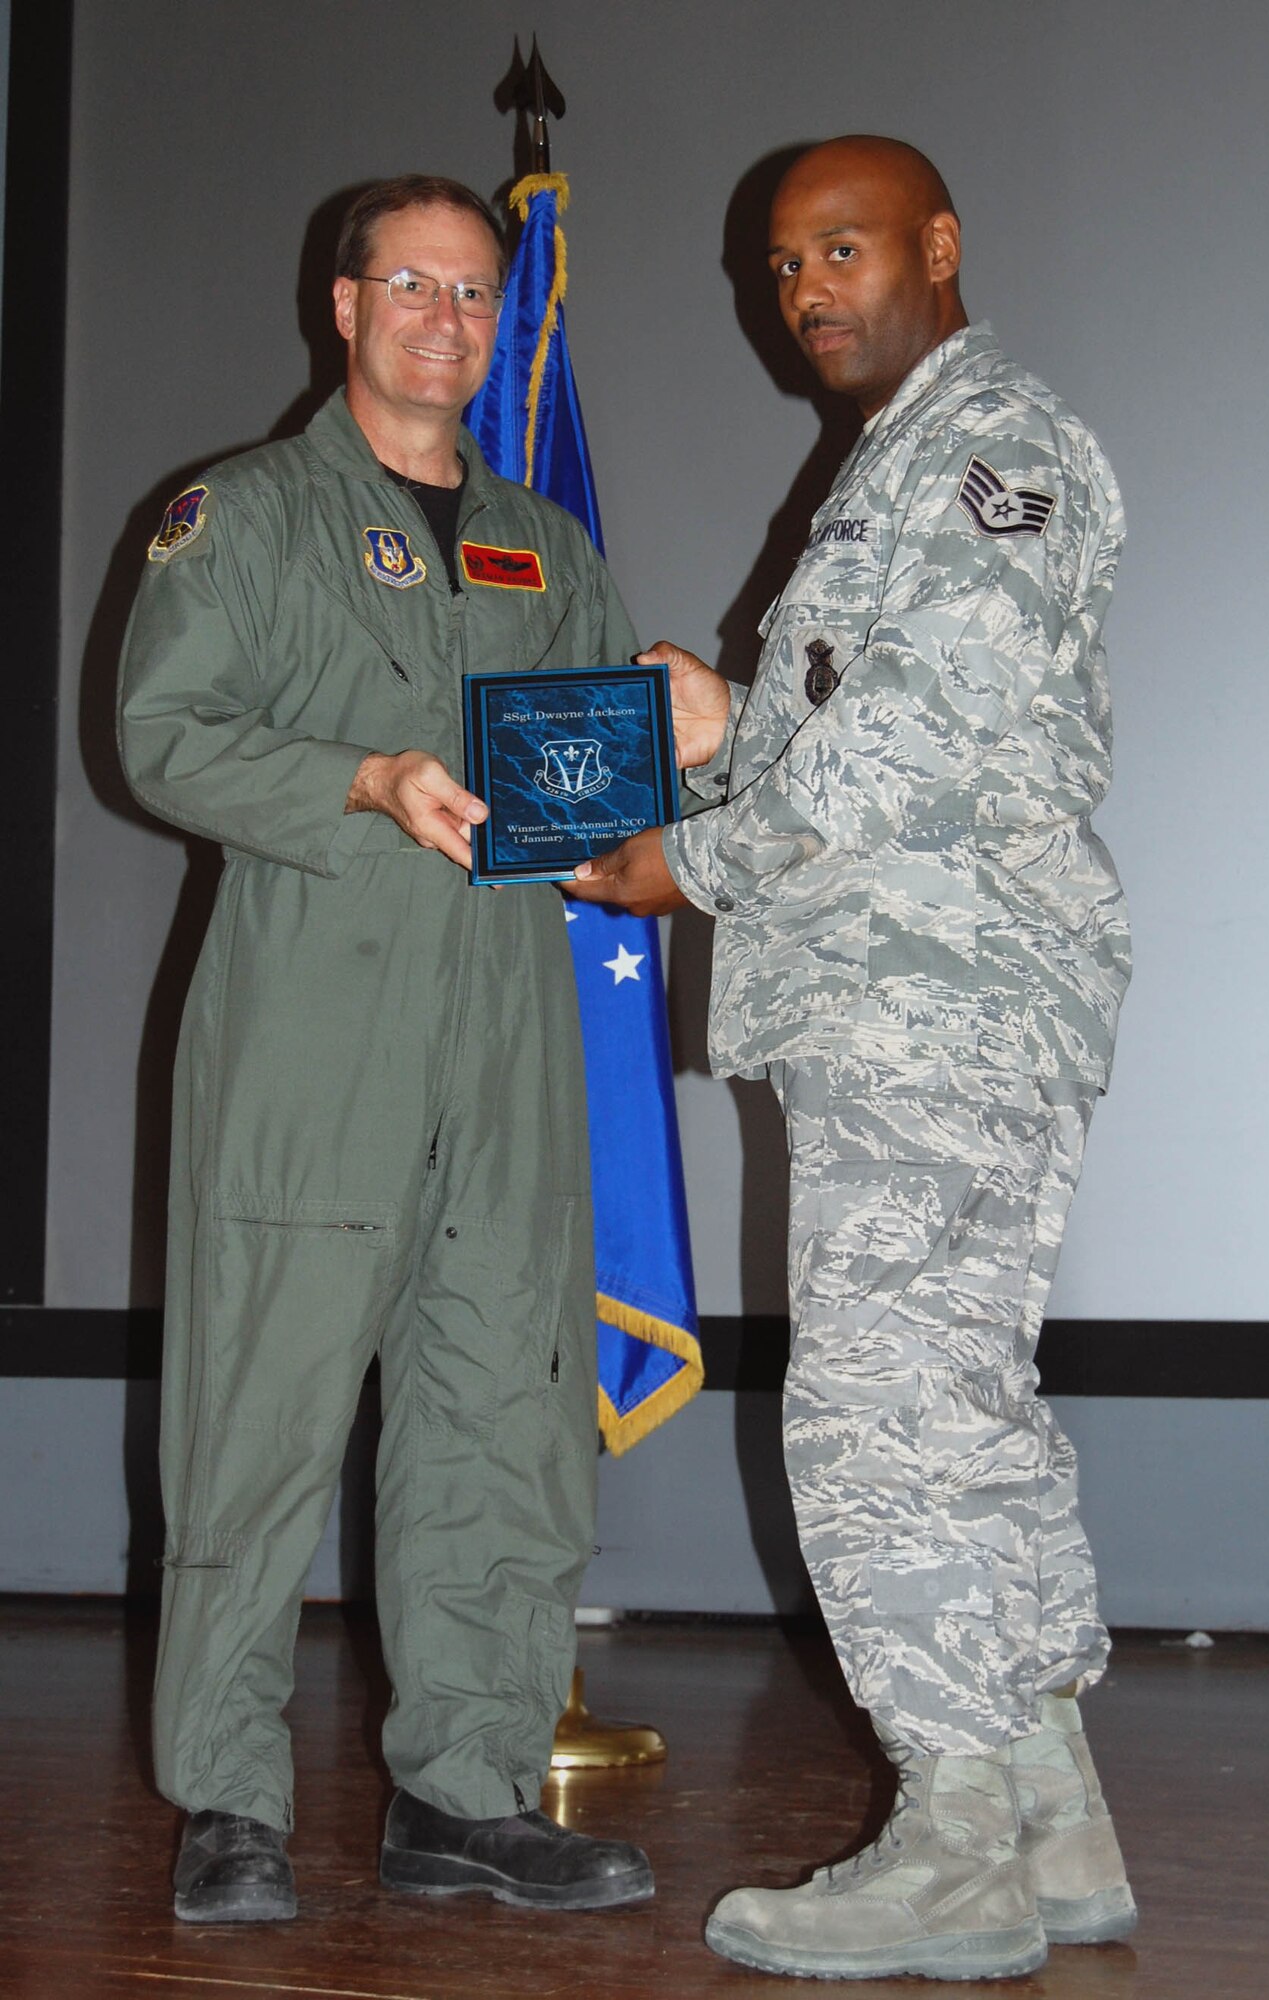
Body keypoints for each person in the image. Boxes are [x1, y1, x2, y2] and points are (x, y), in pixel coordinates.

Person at [568, 135, 1134, 1982]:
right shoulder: (897, 461)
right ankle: (1045, 1827)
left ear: (937, 246)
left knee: (879, 1417)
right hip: (929, 994)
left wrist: (685, 861)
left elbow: (912, 754)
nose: (804, 289)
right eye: (780, 264)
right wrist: (726, 727)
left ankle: (951, 1849)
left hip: (934, 1005)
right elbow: (873, 733)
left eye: (841, 248)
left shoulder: (989, 449)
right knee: (957, 1409)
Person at [118, 175, 653, 1925]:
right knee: (257, 1421)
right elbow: (162, 737)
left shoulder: (543, 545)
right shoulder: (244, 515)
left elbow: (600, 795)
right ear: (341, 305)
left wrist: (661, 769)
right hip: (310, 1038)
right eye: (411, 284)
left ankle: (466, 1792)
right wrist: (360, 777)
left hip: (506, 1044)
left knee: (497, 1413)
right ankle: (229, 1800)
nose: (447, 318)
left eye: (476, 293)